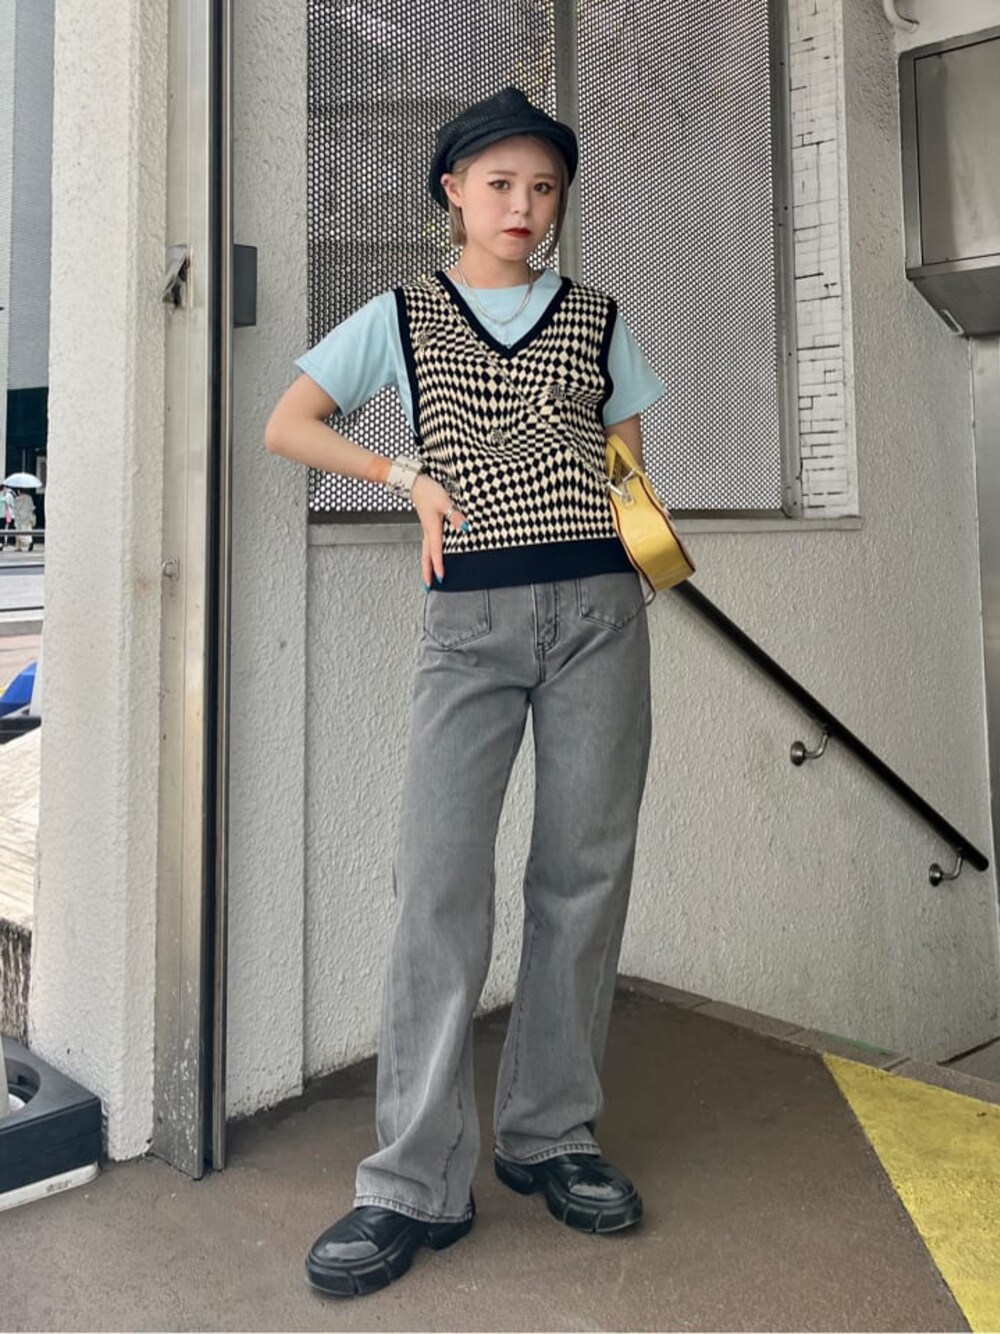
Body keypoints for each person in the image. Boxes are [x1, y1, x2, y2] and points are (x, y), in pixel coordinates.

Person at [266, 87, 665, 1299]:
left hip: (598, 614)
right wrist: (404, 476)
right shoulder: (401, 313)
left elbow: (627, 465)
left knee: (583, 875)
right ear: (452, 191)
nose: (522, 206)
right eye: (499, 184)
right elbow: (290, 422)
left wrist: (648, 560)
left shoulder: (595, 317)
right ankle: (411, 1181)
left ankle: (551, 1133)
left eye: (543, 187)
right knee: (437, 886)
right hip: (469, 622)